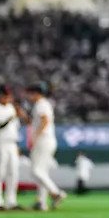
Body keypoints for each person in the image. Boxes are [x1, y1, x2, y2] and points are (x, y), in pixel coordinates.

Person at [26, 82, 66, 211]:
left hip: (43, 140)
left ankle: (56, 193)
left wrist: (35, 137)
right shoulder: (43, 104)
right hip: (47, 140)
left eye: (31, 93)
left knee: (36, 171)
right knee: (42, 171)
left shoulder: (41, 104)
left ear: (36, 93)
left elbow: (45, 120)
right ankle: (42, 202)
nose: (29, 96)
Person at [0, 85, 23, 210]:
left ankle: (11, 201)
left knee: (13, 172)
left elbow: (15, 129)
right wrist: (13, 116)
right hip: (0, 143)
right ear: (0, 96)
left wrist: (17, 145)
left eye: (9, 95)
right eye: (5, 95)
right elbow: (0, 125)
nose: (7, 97)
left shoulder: (11, 108)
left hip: (12, 143)